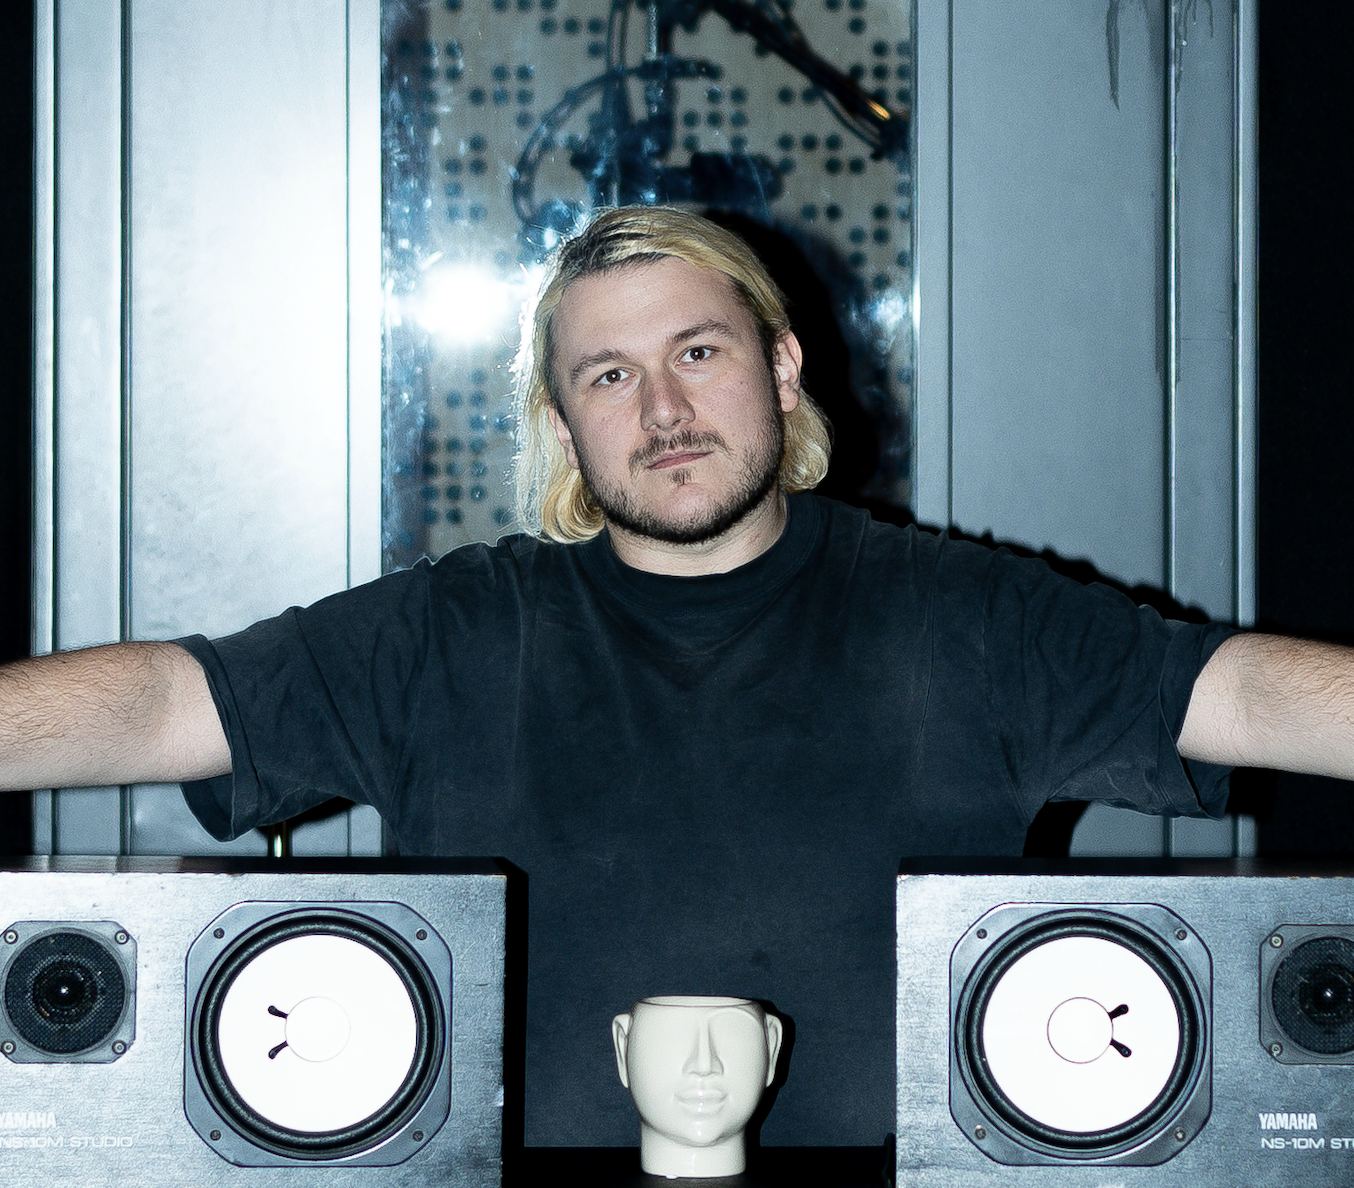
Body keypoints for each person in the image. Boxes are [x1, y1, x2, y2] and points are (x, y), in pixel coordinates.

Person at [1, 206, 1352, 1147]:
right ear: (564, 422)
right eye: (607, 374)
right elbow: (163, 703)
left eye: (697, 353)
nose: (660, 411)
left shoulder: (962, 613)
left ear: (777, 364)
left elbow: (1244, 697)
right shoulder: (451, 632)